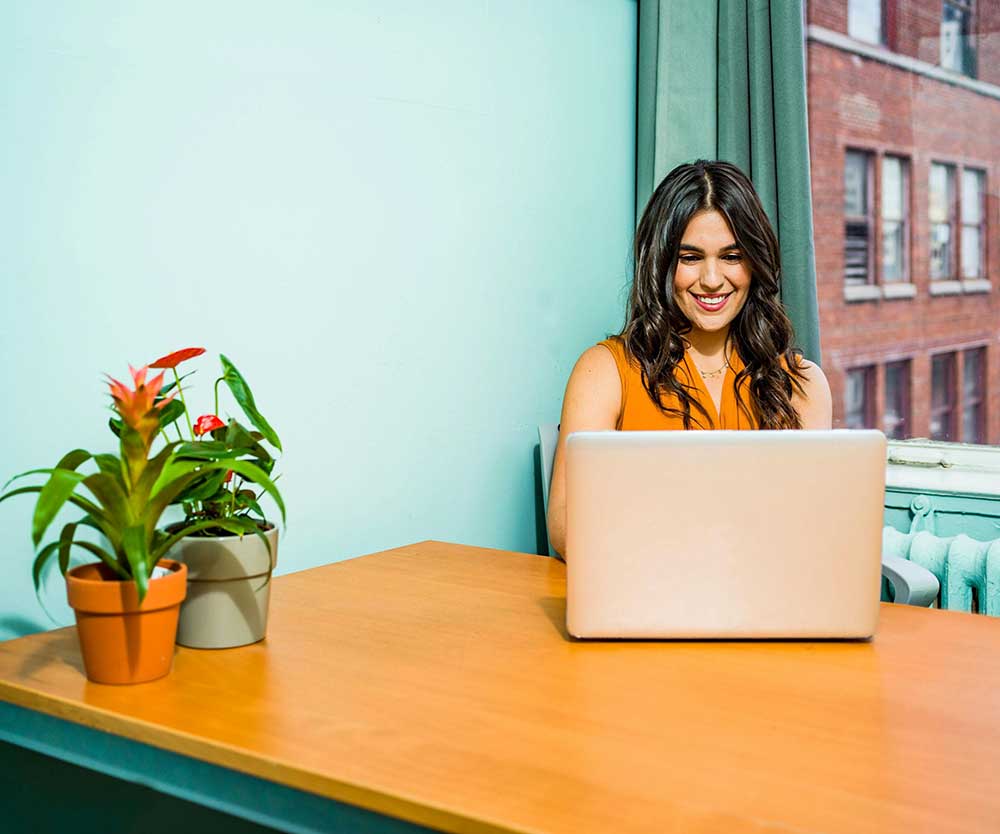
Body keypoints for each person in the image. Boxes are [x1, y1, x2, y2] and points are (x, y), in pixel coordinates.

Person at [547, 159, 832, 558]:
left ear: (755, 263)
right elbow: (565, 529)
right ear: (662, 264)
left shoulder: (802, 383)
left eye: (732, 256)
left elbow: (812, 529)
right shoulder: (604, 371)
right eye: (690, 257)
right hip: (645, 594)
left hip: (765, 603)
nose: (712, 280)